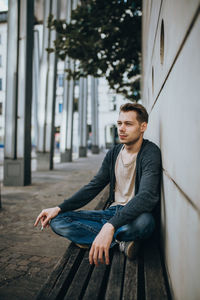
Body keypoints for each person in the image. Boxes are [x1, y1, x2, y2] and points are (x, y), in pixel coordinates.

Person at [34, 103, 162, 266]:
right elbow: (93, 186)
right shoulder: (114, 153)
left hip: (134, 215)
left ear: (143, 126)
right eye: (119, 123)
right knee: (58, 220)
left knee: (146, 223)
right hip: (110, 213)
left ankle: (102, 237)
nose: (121, 129)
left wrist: (110, 226)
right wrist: (59, 208)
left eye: (128, 124)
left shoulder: (150, 152)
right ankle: (121, 242)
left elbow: (147, 196)